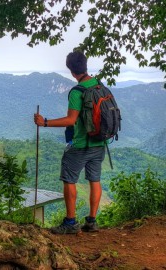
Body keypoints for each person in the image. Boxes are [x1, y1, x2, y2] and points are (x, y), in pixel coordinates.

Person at [34, 51, 105, 234]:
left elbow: (71, 120)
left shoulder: (77, 91)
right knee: (95, 180)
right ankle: (91, 221)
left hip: (80, 144)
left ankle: (71, 223)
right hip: (99, 142)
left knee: (69, 180)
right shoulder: (98, 85)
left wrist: (45, 123)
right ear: (85, 66)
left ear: (72, 71)